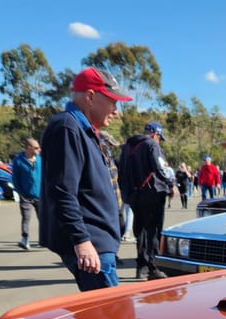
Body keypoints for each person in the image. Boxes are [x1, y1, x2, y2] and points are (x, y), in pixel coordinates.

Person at [39, 67, 132, 291]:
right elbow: (62, 190)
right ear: (91, 97)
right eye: (112, 101)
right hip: (93, 248)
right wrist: (82, 240)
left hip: (99, 244)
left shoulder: (84, 129)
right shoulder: (67, 127)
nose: (116, 110)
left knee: (105, 317)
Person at [119, 121, 175, 279]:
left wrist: (126, 194)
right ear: (155, 133)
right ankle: (153, 267)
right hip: (153, 194)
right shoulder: (152, 145)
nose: (159, 140)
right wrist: (171, 184)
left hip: (134, 196)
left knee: (140, 231)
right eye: (159, 137)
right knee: (153, 232)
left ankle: (141, 267)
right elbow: (161, 167)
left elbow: (121, 172)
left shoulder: (127, 147)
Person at [10, 137, 41, 249]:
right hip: (26, 196)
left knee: (43, 218)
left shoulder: (40, 159)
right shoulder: (18, 161)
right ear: (29, 148)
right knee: (26, 218)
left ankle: (43, 239)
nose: (39, 150)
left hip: (40, 195)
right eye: (36, 148)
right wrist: (21, 192)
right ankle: (24, 239)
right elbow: (15, 179)